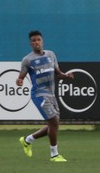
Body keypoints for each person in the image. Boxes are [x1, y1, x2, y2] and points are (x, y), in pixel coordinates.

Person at [16, 29, 74, 162]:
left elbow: (57, 73)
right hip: (39, 94)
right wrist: (19, 81)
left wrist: (65, 76)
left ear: (42, 41)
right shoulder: (27, 60)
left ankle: (27, 140)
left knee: (54, 124)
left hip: (51, 94)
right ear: (30, 43)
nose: (36, 42)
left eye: (38, 40)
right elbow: (21, 77)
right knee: (53, 122)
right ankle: (54, 155)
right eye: (33, 40)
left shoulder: (51, 55)